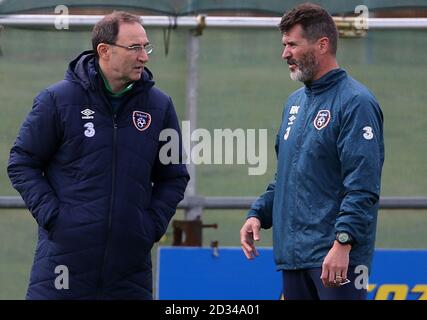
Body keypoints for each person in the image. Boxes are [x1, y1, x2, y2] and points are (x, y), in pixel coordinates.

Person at [8, 11, 189, 299]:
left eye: (146, 46)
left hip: (129, 273)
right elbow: (22, 162)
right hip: (62, 266)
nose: (144, 56)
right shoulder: (58, 100)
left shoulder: (159, 106)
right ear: (104, 51)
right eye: (135, 48)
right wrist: (55, 218)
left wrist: (149, 226)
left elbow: (174, 176)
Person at [240, 3, 384, 300]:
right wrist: (258, 214)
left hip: (337, 260)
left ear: (322, 44)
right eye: (284, 45)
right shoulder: (294, 103)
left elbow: (363, 185)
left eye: (292, 44)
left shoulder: (356, 103)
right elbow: (289, 175)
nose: (285, 54)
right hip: (294, 259)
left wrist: (343, 242)